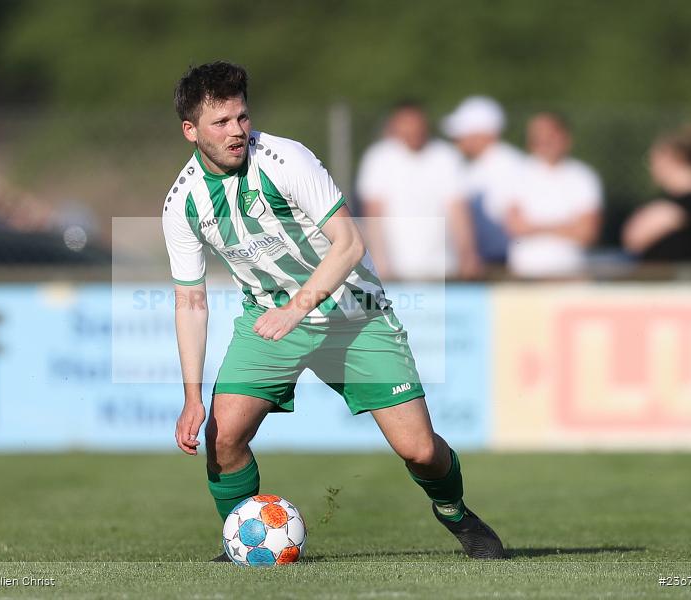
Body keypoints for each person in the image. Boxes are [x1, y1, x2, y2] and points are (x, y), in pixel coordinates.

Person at [162, 61, 504, 560]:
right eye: (221, 122)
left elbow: (349, 243)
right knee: (222, 438)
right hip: (269, 321)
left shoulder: (285, 159)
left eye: (242, 117)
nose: (237, 131)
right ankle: (242, 540)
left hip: (354, 315)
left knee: (420, 450)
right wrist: (192, 396)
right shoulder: (181, 203)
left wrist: (296, 309)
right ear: (190, 131)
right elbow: (190, 301)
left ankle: (455, 512)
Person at [356, 102, 481, 280]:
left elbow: (458, 211)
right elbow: (373, 213)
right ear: (395, 127)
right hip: (395, 270)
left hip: (443, 267)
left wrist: (467, 255)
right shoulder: (379, 158)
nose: (412, 132)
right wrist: (379, 260)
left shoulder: (446, 157)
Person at [504, 112, 603, 278]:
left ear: (565, 137)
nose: (544, 142)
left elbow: (587, 233)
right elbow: (515, 226)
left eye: (550, 136)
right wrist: (567, 226)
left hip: (570, 273)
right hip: (525, 273)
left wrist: (536, 227)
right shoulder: (517, 174)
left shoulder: (583, 176)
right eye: (538, 137)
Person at [442, 96, 525, 266]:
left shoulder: (508, 166)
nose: (457, 139)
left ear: (482, 134)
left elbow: (509, 224)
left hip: (502, 263)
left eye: (462, 133)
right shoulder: (476, 166)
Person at [622, 126, 691, 262]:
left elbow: (635, 236)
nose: (651, 168)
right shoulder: (677, 201)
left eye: (653, 161)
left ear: (671, 159)